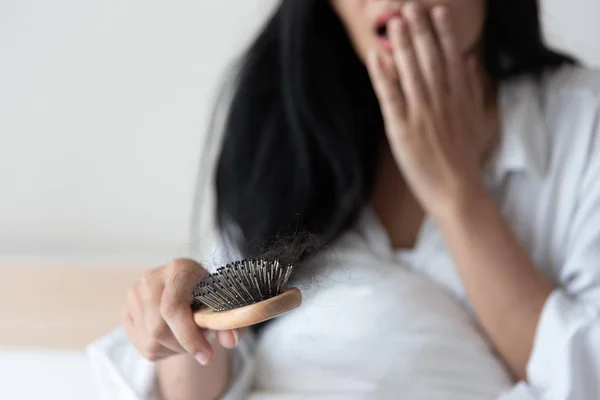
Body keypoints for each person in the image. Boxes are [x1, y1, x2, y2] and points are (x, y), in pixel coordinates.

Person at [87, 0, 600, 399]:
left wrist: (456, 194)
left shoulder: (583, 125)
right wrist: (182, 320)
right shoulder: (282, 139)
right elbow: (212, 371)